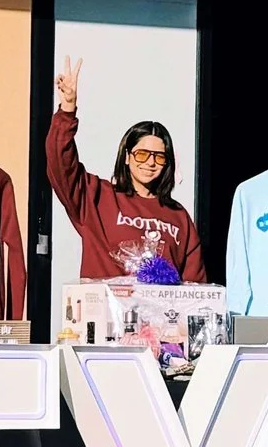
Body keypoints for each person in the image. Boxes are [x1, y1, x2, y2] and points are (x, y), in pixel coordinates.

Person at [45, 56, 206, 281]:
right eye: (142, 154)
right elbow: (61, 165)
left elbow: (194, 284)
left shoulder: (178, 216)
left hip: (161, 306)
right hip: (106, 303)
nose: (150, 163)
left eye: (159, 157)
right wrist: (67, 111)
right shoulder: (98, 198)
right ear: (128, 157)